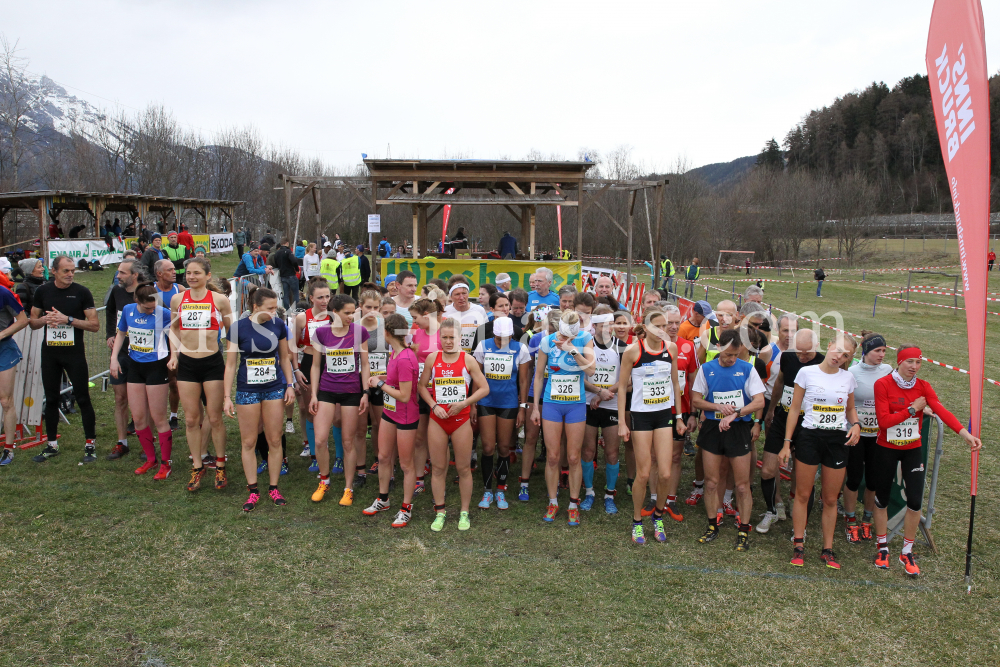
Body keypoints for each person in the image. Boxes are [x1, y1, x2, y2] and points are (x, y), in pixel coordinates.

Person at [870, 345, 982, 576]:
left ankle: (907, 551)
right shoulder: (882, 384)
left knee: (915, 502)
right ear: (899, 362)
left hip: (912, 449)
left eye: (918, 362)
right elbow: (884, 422)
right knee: (881, 499)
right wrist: (913, 410)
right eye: (909, 361)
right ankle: (882, 547)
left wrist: (966, 435)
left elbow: (941, 410)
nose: (914, 367)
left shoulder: (923, 386)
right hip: (886, 448)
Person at [780, 334, 861, 570]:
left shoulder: (848, 378)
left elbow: (851, 408)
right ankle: (798, 545)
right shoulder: (807, 373)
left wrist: (856, 424)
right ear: (829, 346)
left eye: (846, 355)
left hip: (837, 439)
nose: (839, 357)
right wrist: (787, 443)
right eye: (838, 351)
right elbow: (794, 409)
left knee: (829, 499)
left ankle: (827, 549)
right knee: (803, 494)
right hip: (809, 437)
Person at [690, 328, 766, 551]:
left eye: (735, 355)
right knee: (712, 482)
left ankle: (743, 530)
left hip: (738, 429)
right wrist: (716, 407)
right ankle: (713, 525)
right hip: (713, 428)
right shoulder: (707, 369)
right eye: (727, 355)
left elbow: (759, 401)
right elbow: (696, 400)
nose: (731, 359)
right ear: (719, 348)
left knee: (742, 486)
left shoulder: (747, 369)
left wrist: (736, 413)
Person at [224, 287, 295, 512]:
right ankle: (253, 489)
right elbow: (231, 364)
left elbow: (284, 358)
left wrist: (290, 384)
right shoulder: (238, 328)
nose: (274, 313)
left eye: (276, 308)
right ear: (255, 307)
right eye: (270, 308)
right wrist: (227, 396)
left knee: (274, 440)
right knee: (248, 442)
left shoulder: (278, 325)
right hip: (248, 389)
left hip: (273, 388)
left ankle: (274, 487)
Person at [618, 307, 685, 544]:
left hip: (664, 414)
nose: (663, 330)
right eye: (657, 326)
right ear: (645, 328)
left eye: (665, 326)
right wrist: (622, 423)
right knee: (644, 473)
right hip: (641, 416)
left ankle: (658, 516)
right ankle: (637, 521)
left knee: (665, 473)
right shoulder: (633, 351)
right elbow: (621, 387)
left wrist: (678, 417)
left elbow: (675, 384)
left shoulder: (672, 349)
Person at [167, 257, 235, 491]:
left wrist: (230, 358)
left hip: (212, 364)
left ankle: (220, 464)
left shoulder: (220, 300)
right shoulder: (178, 299)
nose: (192, 277)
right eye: (188, 273)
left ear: (208, 275)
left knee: (214, 418)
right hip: (186, 363)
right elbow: (174, 329)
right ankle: (197, 467)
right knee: (191, 419)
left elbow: (230, 332)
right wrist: (173, 355)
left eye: (197, 273)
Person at [418, 317, 490, 531]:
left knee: (463, 468)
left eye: (452, 337)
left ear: (460, 338)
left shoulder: (467, 360)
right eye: (444, 337)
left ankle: (464, 512)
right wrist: (433, 405)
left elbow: (484, 388)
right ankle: (440, 511)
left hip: (460, 420)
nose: (448, 341)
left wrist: (464, 404)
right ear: (439, 338)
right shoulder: (432, 358)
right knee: (438, 468)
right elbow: (422, 386)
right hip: (438, 420)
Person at [28, 256, 100, 463]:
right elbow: (33, 322)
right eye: (66, 271)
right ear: (54, 271)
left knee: (83, 397)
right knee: (51, 399)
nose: (70, 274)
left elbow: (94, 325)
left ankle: (90, 444)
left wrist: (67, 320)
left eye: (72, 271)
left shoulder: (81, 292)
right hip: (50, 353)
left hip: (74, 353)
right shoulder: (43, 291)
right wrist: (44, 320)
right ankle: (51, 445)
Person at [531, 310, 596, 526]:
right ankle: (552, 502)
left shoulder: (585, 339)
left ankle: (573, 504)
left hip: (575, 404)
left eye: (570, 336)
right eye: (564, 336)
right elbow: (538, 375)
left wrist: (573, 350)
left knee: (574, 457)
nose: (566, 339)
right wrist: (535, 407)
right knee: (552, 456)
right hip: (552, 403)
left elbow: (591, 371)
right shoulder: (547, 341)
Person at [308, 294, 370, 506]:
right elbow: (316, 365)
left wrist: (365, 392)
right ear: (334, 312)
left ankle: (348, 487)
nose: (351, 316)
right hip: (327, 389)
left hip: (351, 392)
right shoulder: (322, 333)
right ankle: (324, 480)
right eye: (347, 313)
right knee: (320, 439)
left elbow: (365, 364)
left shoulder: (359, 331)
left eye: (354, 312)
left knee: (347, 441)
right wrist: (314, 394)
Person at [109, 281, 173, 478]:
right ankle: (150, 459)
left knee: (159, 417)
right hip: (135, 366)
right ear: (137, 300)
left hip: (156, 367)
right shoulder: (128, 310)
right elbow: (120, 334)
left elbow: (175, 337)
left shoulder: (164, 313)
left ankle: (165, 463)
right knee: (138, 419)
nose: (150, 310)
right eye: (147, 307)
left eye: (153, 306)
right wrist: (113, 359)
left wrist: (175, 357)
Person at [363, 312, 421, 527]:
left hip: (405, 415)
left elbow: (405, 395)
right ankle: (383, 499)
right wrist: (383, 378)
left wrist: (380, 385)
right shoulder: (395, 353)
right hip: (390, 411)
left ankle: (406, 508)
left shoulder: (405, 358)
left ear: (387, 332)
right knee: (384, 456)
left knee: (406, 464)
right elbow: (396, 380)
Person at [473, 316, 530, 510]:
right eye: (498, 339)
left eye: (505, 339)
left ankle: (501, 489)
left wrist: (522, 408)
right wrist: (473, 403)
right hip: (486, 401)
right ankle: (487, 490)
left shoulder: (520, 349)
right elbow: (476, 376)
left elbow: (523, 381)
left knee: (504, 447)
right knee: (488, 447)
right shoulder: (483, 346)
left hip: (508, 402)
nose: (501, 342)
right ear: (494, 334)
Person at [844, 332, 893, 543]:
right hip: (856, 433)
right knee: (854, 478)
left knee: (873, 481)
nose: (881, 355)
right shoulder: (853, 372)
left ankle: (867, 519)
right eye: (877, 351)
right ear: (865, 351)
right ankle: (850, 519)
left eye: (884, 350)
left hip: (878, 435)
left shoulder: (888, 371)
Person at [579, 305, 627, 514]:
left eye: (610, 324)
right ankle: (589, 492)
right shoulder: (586, 345)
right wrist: (598, 392)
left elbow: (628, 379)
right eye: (602, 324)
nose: (607, 328)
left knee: (612, 452)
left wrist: (608, 393)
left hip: (611, 405)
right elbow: (579, 377)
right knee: (588, 451)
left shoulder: (622, 347)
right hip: (589, 403)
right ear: (594, 324)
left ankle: (610, 494)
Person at [291, 278, 335, 473]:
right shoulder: (302, 318)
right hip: (309, 363)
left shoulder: (335, 316)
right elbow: (292, 346)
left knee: (337, 411)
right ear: (311, 298)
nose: (325, 300)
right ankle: (313, 451)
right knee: (310, 408)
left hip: (332, 363)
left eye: (327, 296)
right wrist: (296, 369)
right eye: (320, 297)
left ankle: (339, 455)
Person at [661, 304, 698, 519]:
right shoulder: (649, 346)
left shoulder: (688, 347)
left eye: (677, 322)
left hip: (681, 411)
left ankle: (671, 499)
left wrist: (693, 413)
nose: (674, 327)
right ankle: (656, 497)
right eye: (669, 323)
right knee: (655, 457)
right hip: (656, 408)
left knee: (675, 457)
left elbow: (693, 382)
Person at [106, 258, 142, 460]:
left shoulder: (146, 292)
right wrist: (110, 334)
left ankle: (149, 441)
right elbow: (111, 312)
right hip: (120, 352)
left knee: (144, 400)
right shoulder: (116, 291)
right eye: (118, 272)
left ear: (134, 275)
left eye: (122, 273)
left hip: (143, 354)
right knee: (120, 398)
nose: (118, 276)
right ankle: (122, 442)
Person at [408, 297, 444, 495]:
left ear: (425, 315)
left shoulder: (444, 334)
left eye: (415, 318)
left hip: (441, 394)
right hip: (420, 391)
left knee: (440, 440)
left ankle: (441, 478)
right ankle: (419, 479)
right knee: (420, 438)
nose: (414, 322)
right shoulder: (416, 334)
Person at [0, 283, 28, 466]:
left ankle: (8, 449)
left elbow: (23, 320)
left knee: (5, 400)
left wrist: (1, 334)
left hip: (4, 350)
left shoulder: (3, 293)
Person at [443, 278, 487, 354]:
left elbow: (485, 334)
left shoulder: (479, 310)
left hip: (475, 355)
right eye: (457, 294)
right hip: (452, 355)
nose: (461, 297)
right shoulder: (445, 312)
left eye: (464, 293)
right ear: (451, 297)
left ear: (468, 294)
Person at [271, 238, 303, 311]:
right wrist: (296, 269)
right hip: (291, 274)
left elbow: (276, 263)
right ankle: (296, 309)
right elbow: (294, 261)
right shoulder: (288, 251)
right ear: (287, 243)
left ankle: (287, 309)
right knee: (295, 293)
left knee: (286, 294)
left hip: (283, 275)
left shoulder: (277, 253)